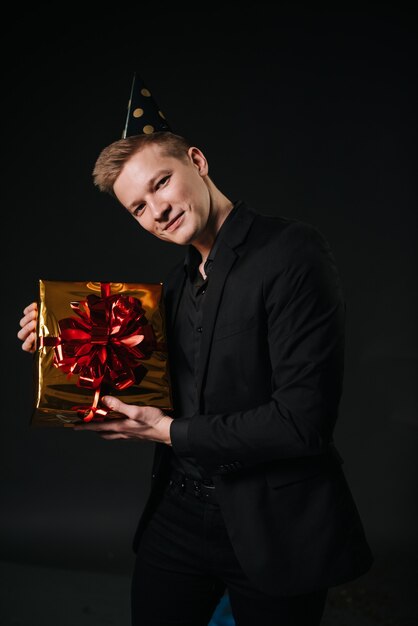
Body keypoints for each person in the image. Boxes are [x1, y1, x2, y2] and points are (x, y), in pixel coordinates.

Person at [17, 88, 373, 625]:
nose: (157, 210)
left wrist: (166, 432)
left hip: (272, 521)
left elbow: (301, 424)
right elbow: (145, 379)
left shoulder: (291, 253)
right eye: (138, 206)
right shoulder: (175, 286)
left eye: (161, 183)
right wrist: (58, 331)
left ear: (197, 162)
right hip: (178, 514)